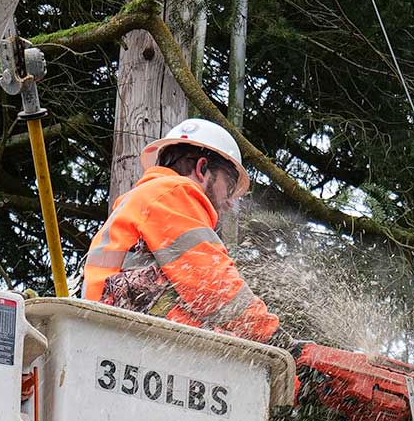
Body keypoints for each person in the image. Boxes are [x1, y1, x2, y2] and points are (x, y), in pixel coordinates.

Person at [81, 118, 283, 343]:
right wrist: (276, 339)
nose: (228, 203)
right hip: (129, 329)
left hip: (109, 328)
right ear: (202, 168)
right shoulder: (174, 193)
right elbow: (211, 284)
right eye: (230, 186)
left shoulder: (146, 198)